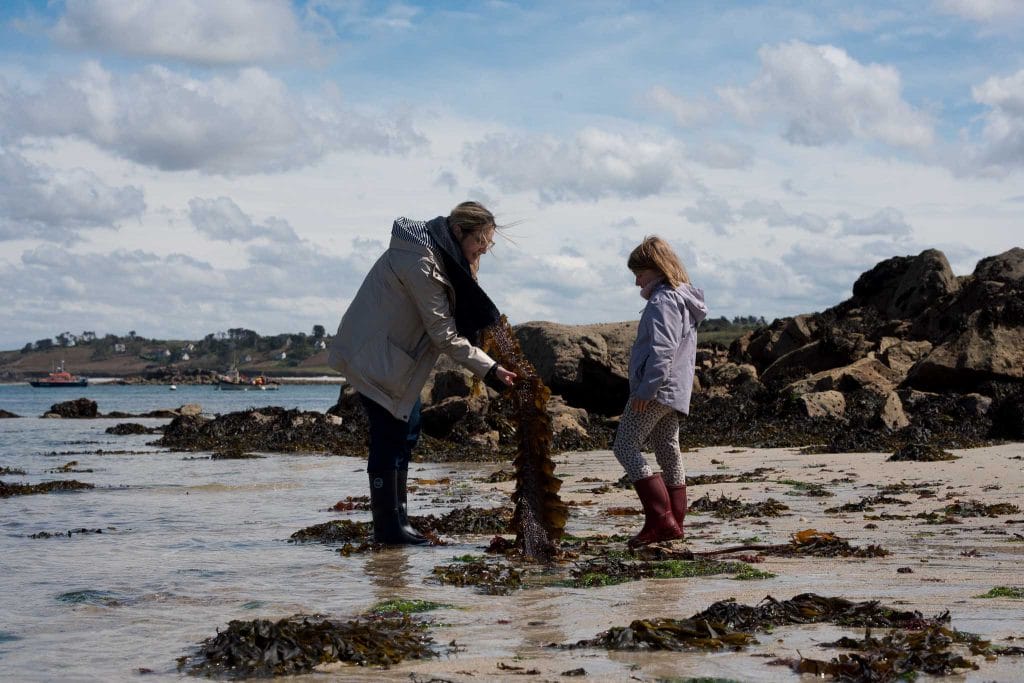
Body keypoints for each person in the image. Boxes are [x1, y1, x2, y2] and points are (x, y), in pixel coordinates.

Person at [328, 201, 517, 545]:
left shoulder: (444, 258)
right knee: (391, 435)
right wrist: (490, 371)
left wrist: (471, 265)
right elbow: (442, 333)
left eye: (487, 246)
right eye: (479, 243)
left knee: (409, 426)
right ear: (458, 232)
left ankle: (398, 522)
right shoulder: (421, 262)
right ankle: (388, 529)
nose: (482, 251)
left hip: (394, 358)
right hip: (376, 357)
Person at [613, 235, 707, 548]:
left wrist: (645, 390)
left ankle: (660, 521)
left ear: (657, 269)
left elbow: (663, 350)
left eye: (639, 273)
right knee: (667, 448)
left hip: (656, 390)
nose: (636, 281)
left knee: (625, 447)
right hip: (676, 391)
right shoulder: (682, 298)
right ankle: (675, 523)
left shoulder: (663, 300)